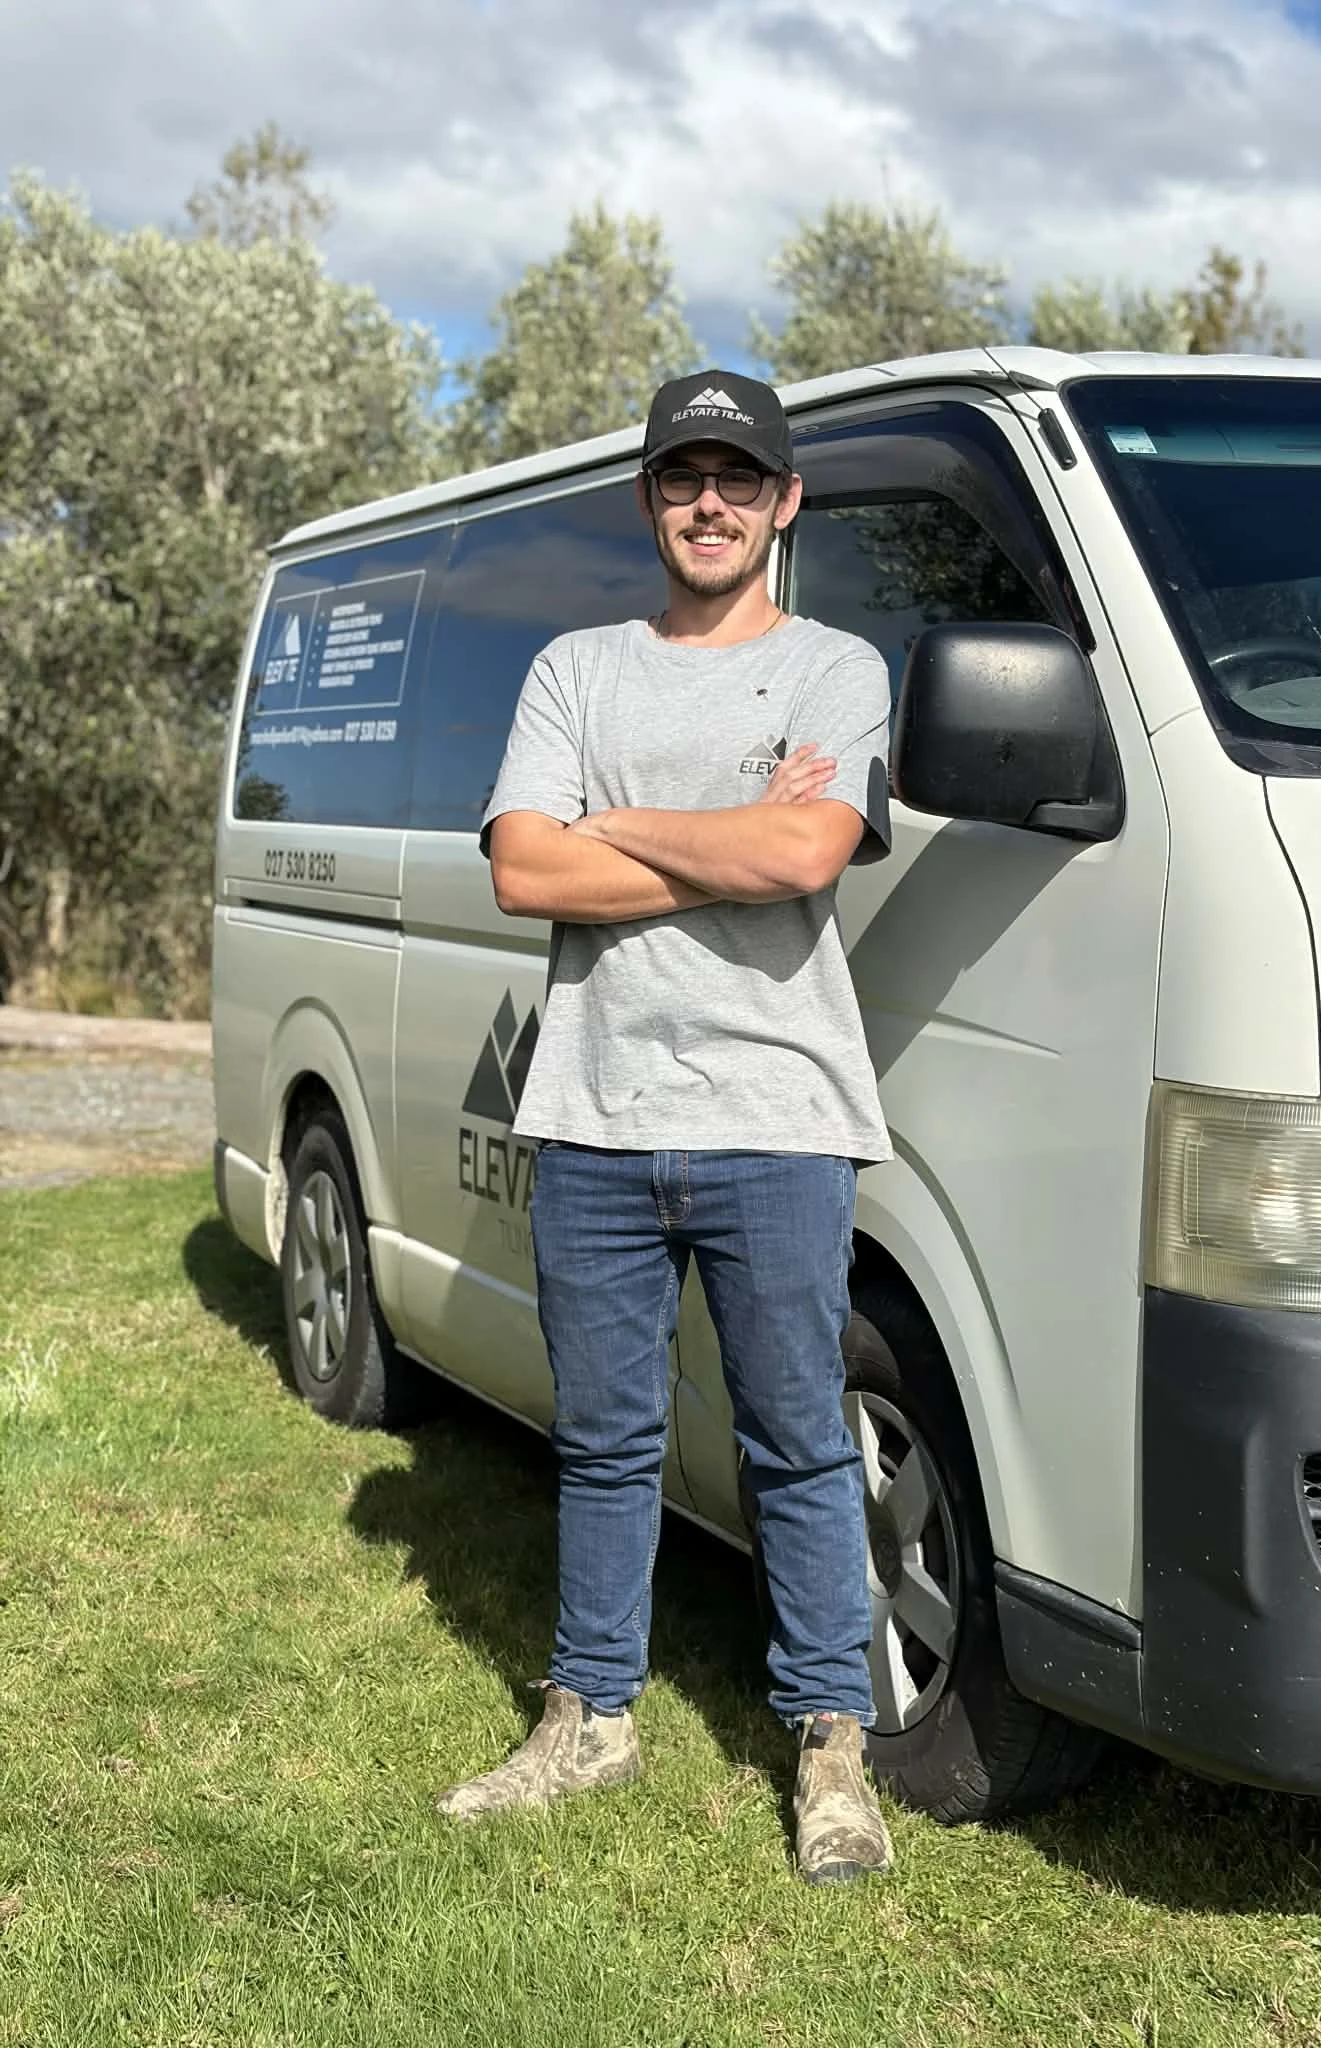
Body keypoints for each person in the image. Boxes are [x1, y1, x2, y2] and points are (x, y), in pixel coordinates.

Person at [437, 370, 895, 1885]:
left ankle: (832, 1749)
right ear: (650, 499)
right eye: (684, 476)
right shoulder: (576, 670)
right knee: (610, 1442)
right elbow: (524, 874)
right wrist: (730, 847)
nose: (712, 502)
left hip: (779, 1116)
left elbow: (809, 845)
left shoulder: (837, 669)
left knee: (799, 1444)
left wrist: (611, 821)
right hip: (594, 1116)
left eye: (740, 479)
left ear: (785, 505)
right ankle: (592, 1718)